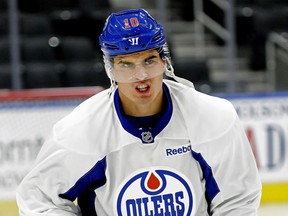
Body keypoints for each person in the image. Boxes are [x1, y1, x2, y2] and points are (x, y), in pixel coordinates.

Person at [16, 8, 262, 215]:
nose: (141, 76)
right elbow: (38, 199)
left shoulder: (213, 118)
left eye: (149, 61)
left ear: (164, 61)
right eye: (126, 64)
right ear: (110, 68)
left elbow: (238, 199)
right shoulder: (80, 131)